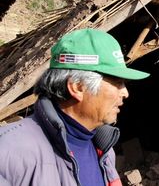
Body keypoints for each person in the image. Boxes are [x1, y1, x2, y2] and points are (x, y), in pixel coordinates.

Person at [0, 28, 150, 186]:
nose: (125, 93)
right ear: (78, 87)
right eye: (117, 82)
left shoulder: (104, 150)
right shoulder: (9, 151)